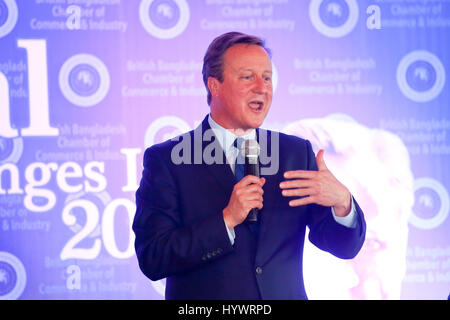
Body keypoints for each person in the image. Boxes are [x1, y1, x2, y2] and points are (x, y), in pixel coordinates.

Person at [133, 32, 366, 300]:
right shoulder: (169, 160)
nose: (262, 87)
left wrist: (342, 203)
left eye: (267, 77)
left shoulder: (294, 153)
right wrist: (226, 220)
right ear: (214, 85)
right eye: (248, 77)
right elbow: (153, 257)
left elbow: (342, 246)